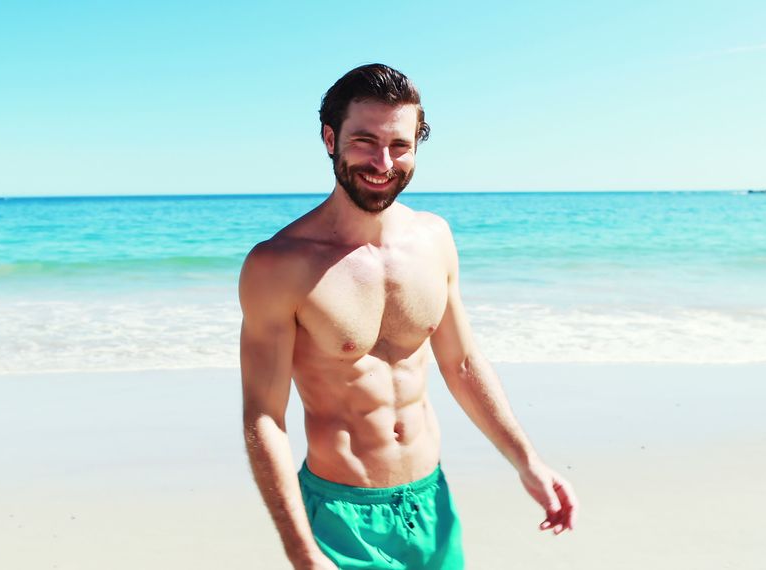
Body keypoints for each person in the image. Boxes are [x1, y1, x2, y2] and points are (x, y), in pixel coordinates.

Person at [239, 63, 577, 570]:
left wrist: (527, 461)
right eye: (364, 141)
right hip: (339, 519)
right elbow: (263, 417)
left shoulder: (433, 239)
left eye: (399, 144)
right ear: (330, 139)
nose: (382, 161)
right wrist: (302, 551)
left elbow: (462, 365)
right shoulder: (279, 264)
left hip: (431, 502)